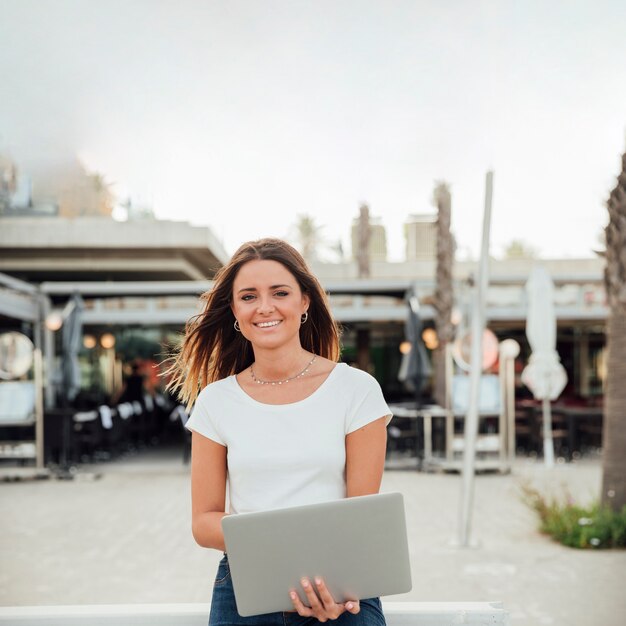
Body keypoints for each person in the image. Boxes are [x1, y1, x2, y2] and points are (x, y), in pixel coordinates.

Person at [167, 238, 392, 625]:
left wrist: (333, 588)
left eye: (280, 292)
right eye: (249, 296)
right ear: (235, 310)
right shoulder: (215, 402)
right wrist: (281, 547)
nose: (265, 307)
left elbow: (361, 518)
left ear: (304, 302)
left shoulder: (357, 390)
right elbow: (203, 522)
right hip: (246, 588)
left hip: (340, 588)